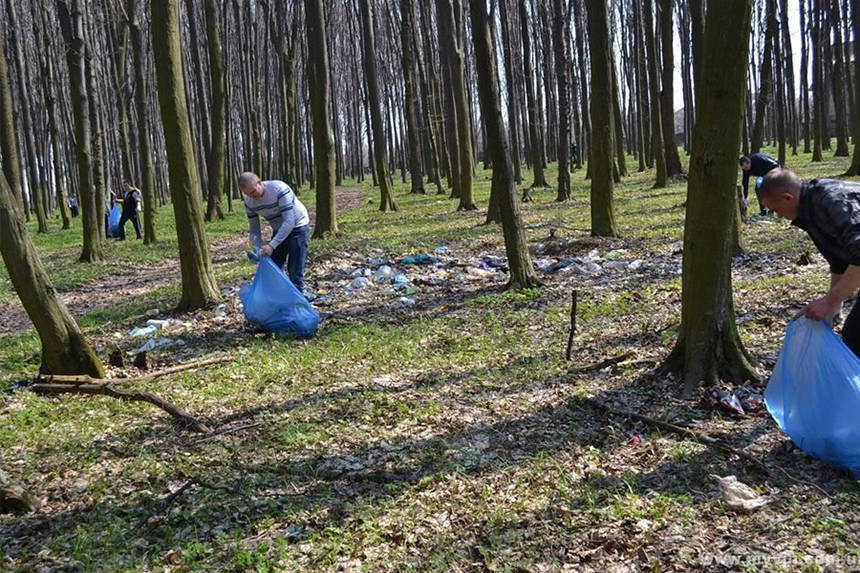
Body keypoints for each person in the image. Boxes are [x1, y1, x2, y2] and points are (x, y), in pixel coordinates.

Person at [759, 168, 860, 356]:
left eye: (776, 210)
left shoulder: (831, 201)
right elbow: (839, 261)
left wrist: (830, 301)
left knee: (855, 337)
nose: (779, 216)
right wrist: (831, 310)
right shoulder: (809, 211)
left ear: (787, 198)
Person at [239, 171, 310, 292]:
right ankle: (280, 295)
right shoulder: (249, 202)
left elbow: (289, 221)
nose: (252, 196)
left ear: (259, 183)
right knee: (274, 264)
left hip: (298, 225)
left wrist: (272, 245)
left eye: (253, 192)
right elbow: (254, 228)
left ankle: (298, 298)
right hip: (279, 228)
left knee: (295, 267)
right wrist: (254, 247)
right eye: (248, 194)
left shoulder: (279, 189)